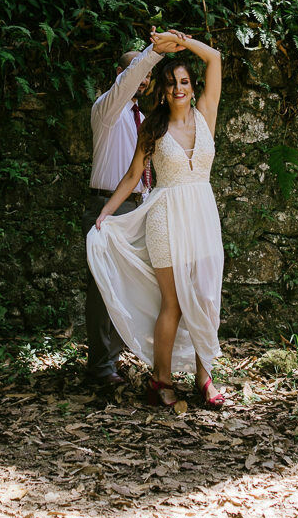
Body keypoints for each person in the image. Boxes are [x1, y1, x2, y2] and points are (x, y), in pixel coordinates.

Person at [87, 30, 225, 408]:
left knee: (206, 297)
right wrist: (105, 213)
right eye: (170, 83)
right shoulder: (153, 126)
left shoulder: (206, 114)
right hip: (165, 216)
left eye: (183, 81)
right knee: (174, 303)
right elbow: (133, 176)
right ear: (162, 91)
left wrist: (182, 42)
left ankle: (204, 378)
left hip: (202, 215)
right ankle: (160, 381)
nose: (178, 88)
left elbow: (215, 58)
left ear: (193, 87)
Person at [82, 28, 186, 386]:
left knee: (132, 286)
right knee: (103, 290)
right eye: (135, 76)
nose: (142, 83)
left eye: (147, 80)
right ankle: (99, 370)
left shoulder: (139, 118)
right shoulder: (108, 109)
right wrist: (152, 52)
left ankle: (119, 358)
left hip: (137, 207)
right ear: (121, 77)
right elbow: (129, 81)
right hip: (109, 207)